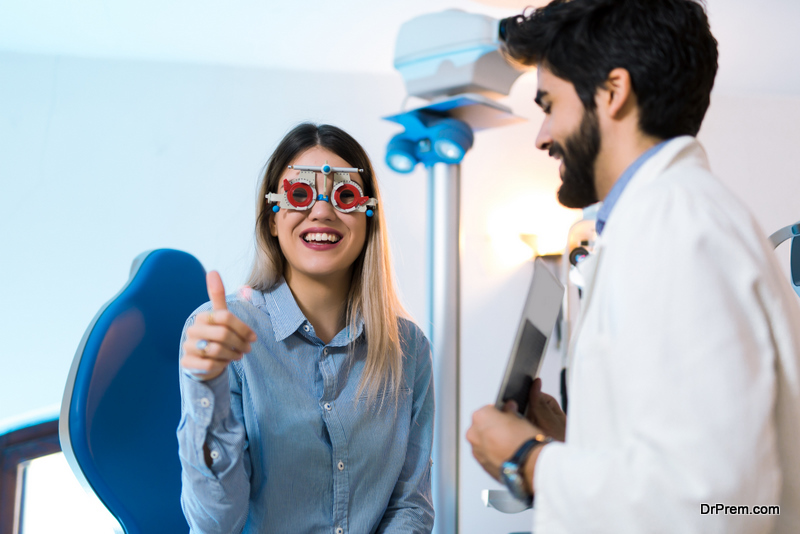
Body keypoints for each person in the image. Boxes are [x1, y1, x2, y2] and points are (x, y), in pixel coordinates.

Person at [466, 1, 800, 532]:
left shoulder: (674, 227)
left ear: (613, 92)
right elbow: (690, 473)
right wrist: (572, 443)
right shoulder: (674, 219)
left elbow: (721, 504)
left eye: (549, 104)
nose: (541, 135)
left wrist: (529, 461)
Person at [176, 123, 435, 533]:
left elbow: (410, 507)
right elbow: (214, 523)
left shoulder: (410, 349)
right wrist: (205, 390)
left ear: (368, 216)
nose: (322, 211)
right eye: (301, 194)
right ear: (273, 220)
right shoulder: (222, 333)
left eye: (344, 196)